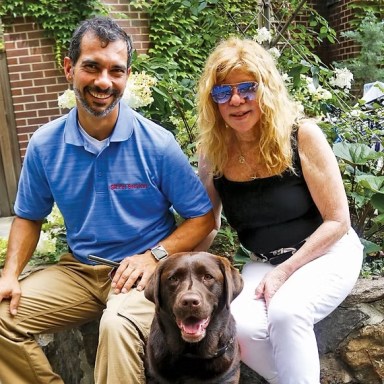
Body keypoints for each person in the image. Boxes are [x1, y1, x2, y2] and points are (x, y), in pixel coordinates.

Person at [0, 16, 214, 384]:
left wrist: (155, 256)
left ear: (127, 76)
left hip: (142, 275)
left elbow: (203, 218)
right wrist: (10, 274)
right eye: (92, 67)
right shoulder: (45, 144)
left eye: (116, 71)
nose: (103, 81)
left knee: (115, 327)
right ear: (69, 69)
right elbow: (29, 216)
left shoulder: (157, 144)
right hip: (80, 271)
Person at [195, 37, 363, 384]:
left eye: (246, 88)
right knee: (239, 325)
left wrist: (285, 272)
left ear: (266, 88)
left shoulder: (302, 135)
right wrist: (171, 265)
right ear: (213, 102)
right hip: (265, 260)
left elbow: (337, 221)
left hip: (328, 252)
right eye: (223, 92)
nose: (236, 100)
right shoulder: (214, 153)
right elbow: (208, 224)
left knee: (287, 313)